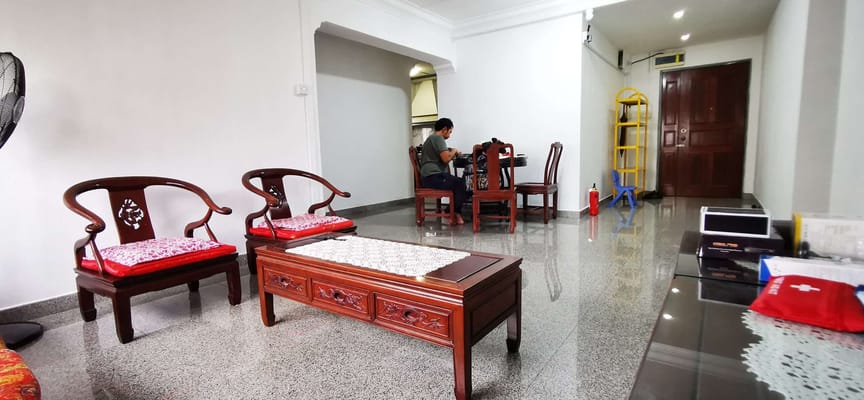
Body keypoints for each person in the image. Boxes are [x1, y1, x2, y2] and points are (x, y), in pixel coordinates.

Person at [420, 118, 466, 225]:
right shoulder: (437, 138)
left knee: (459, 183)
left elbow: (443, 153)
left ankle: (452, 211)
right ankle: (452, 212)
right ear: (444, 129)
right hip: (432, 177)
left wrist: (451, 151)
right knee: (461, 183)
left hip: (428, 177)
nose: (449, 135)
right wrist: (454, 150)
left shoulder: (431, 139)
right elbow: (446, 158)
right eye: (450, 132)